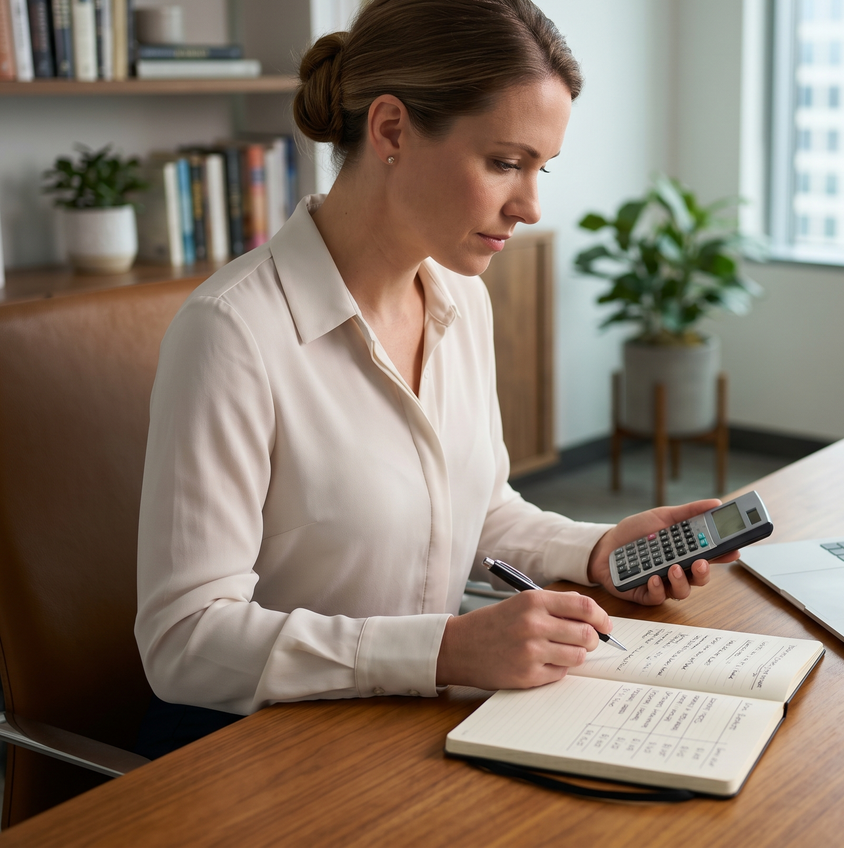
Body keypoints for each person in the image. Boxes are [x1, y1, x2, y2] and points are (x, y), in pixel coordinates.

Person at [133, 0, 737, 754]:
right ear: (390, 130)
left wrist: (600, 548)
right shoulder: (233, 333)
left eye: (540, 168)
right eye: (504, 162)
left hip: (403, 724)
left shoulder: (462, 300)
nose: (530, 205)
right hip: (252, 748)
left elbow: (480, 514)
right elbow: (184, 642)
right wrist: (444, 650)